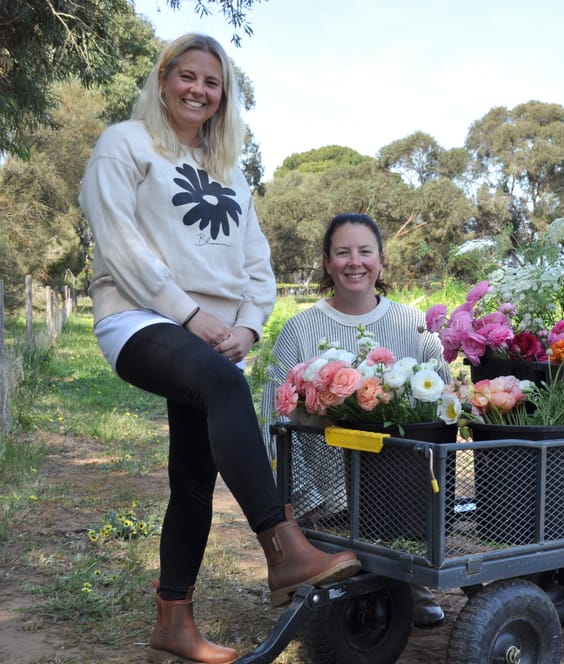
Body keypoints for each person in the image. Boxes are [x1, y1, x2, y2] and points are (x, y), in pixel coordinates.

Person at [78, 34, 360, 664]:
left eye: (212, 83)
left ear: (223, 96)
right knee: (225, 386)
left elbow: (257, 264)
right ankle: (283, 550)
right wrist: (192, 315)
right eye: (188, 76)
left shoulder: (229, 167)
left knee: (192, 477)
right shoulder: (124, 144)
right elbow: (119, 242)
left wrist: (249, 328)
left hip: (211, 337)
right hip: (139, 317)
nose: (198, 90)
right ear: (163, 78)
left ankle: (173, 623)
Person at [261, 212, 447, 629]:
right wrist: (307, 500)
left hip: (400, 493)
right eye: (342, 252)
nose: (354, 262)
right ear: (327, 262)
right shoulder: (299, 330)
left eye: (365, 252)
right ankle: (339, 569)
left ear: (381, 261)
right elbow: (272, 418)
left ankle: (410, 581)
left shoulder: (412, 325)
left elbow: (443, 393)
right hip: (330, 502)